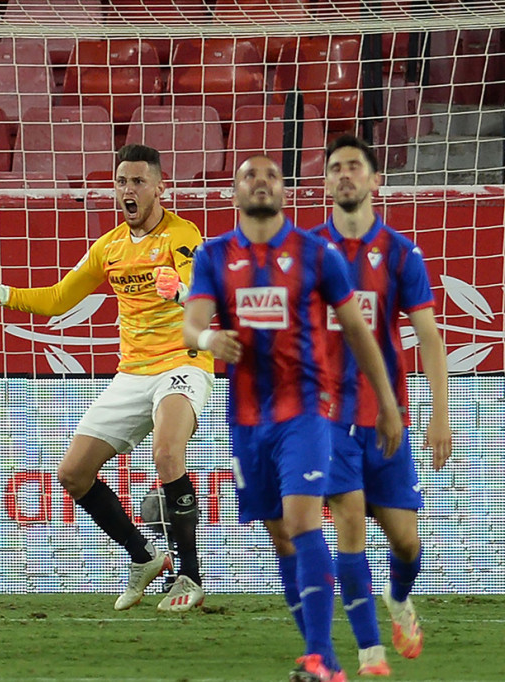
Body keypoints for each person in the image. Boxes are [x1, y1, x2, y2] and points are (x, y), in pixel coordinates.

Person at [0, 143, 212, 612]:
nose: (128, 190)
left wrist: (179, 291)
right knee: (72, 474)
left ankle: (190, 577)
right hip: (131, 373)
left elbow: (203, 295)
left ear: (161, 186)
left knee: (166, 450)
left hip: (182, 362)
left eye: (138, 181)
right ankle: (143, 556)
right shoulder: (110, 247)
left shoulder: (182, 234)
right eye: (121, 182)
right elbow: (59, 298)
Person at [182, 155, 403, 682]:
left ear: (286, 191)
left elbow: (357, 332)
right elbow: (190, 327)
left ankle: (321, 659)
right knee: (281, 535)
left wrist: (389, 405)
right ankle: (317, 651)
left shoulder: (316, 254)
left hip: (305, 412)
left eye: (272, 176)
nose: (260, 182)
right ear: (232, 193)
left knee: (304, 523)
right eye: (249, 176)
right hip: (246, 419)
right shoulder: (213, 255)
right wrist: (210, 339)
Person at [314, 135, 452, 676]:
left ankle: (398, 598)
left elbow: (430, 338)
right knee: (348, 520)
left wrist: (440, 413)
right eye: (335, 168)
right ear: (325, 182)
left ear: (375, 181)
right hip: (327, 419)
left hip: (386, 419)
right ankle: (370, 650)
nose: (344, 174)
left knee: (406, 541)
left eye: (355, 166)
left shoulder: (400, 252)